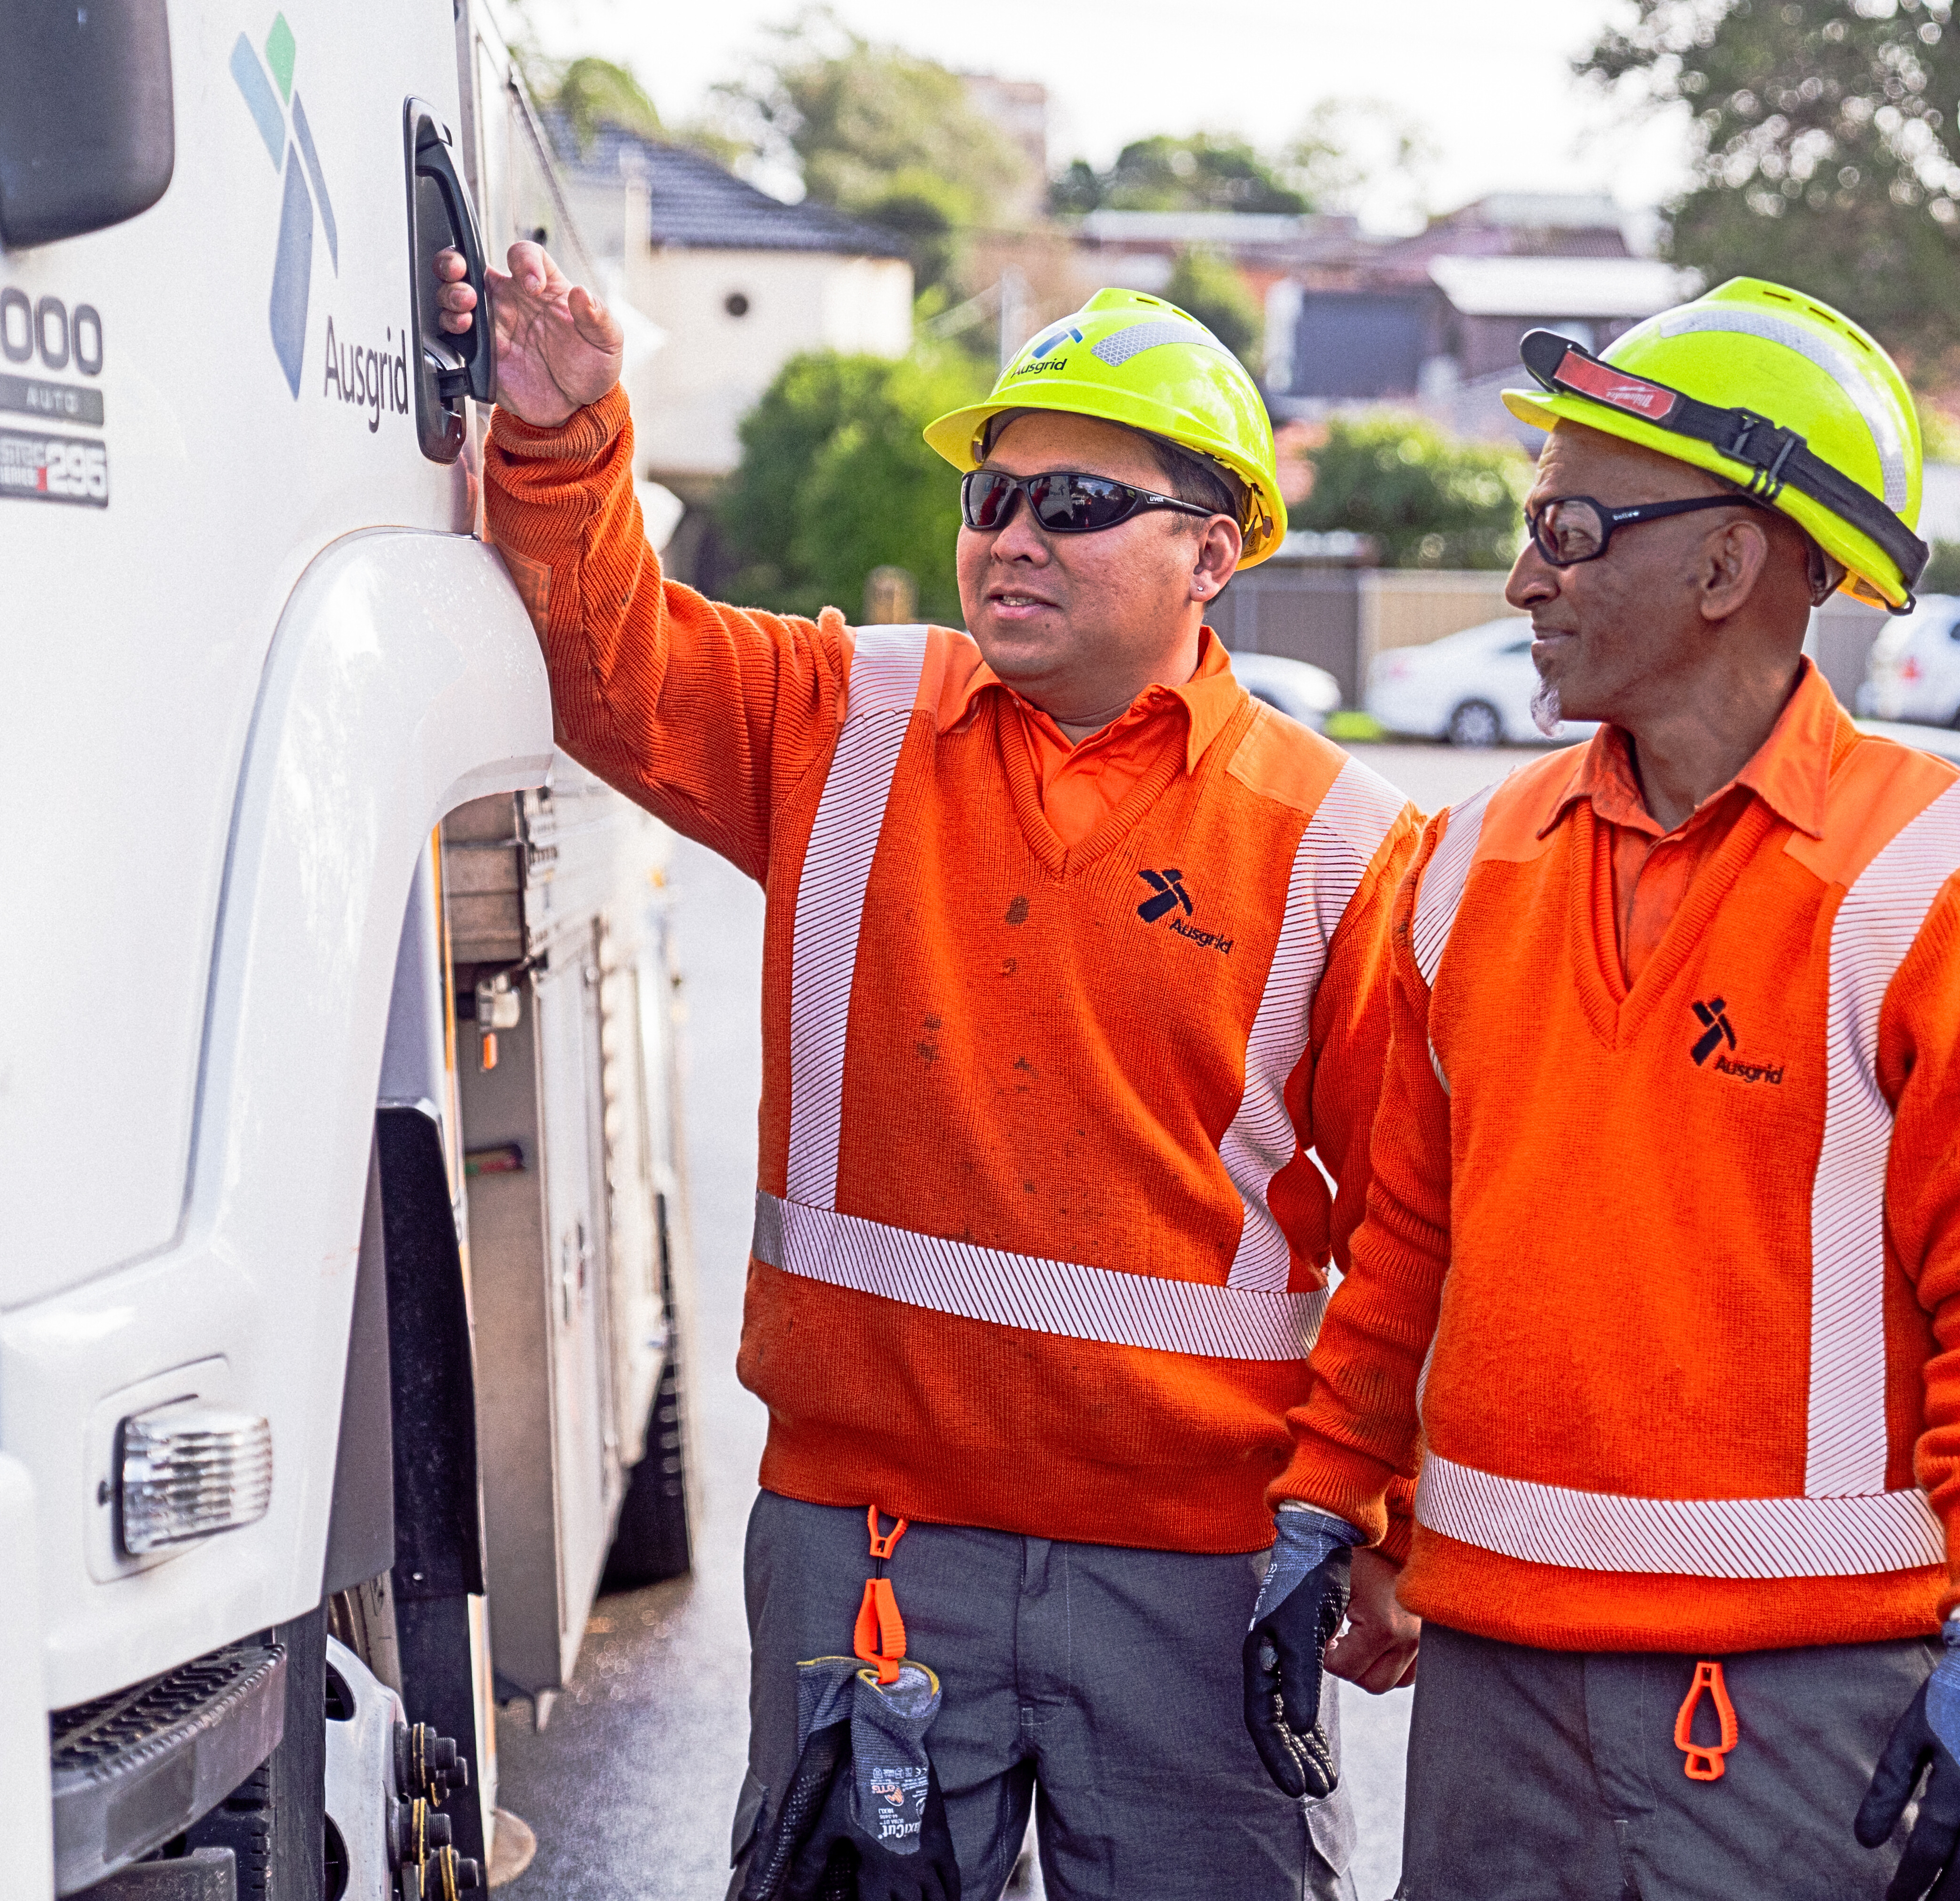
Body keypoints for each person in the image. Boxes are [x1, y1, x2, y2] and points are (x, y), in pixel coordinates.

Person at [434, 241, 1424, 1900]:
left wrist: (1374, 1518)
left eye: (1076, 504)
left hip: (1199, 1564)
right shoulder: (847, 717)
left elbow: (1415, 1223)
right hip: (870, 1544)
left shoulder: (1338, 839)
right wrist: (564, 436)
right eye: (993, 497)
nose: (1013, 536)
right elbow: (610, 666)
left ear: (1214, 551)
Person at [1254, 280, 1960, 1901]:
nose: (1525, 579)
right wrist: (1327, 1503)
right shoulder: (1462, 866)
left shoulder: (1954, 879)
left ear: (1726, 567)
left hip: (1795, 1706)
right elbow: (1405, 1247)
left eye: (1570, 530)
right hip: (1495, 1687)